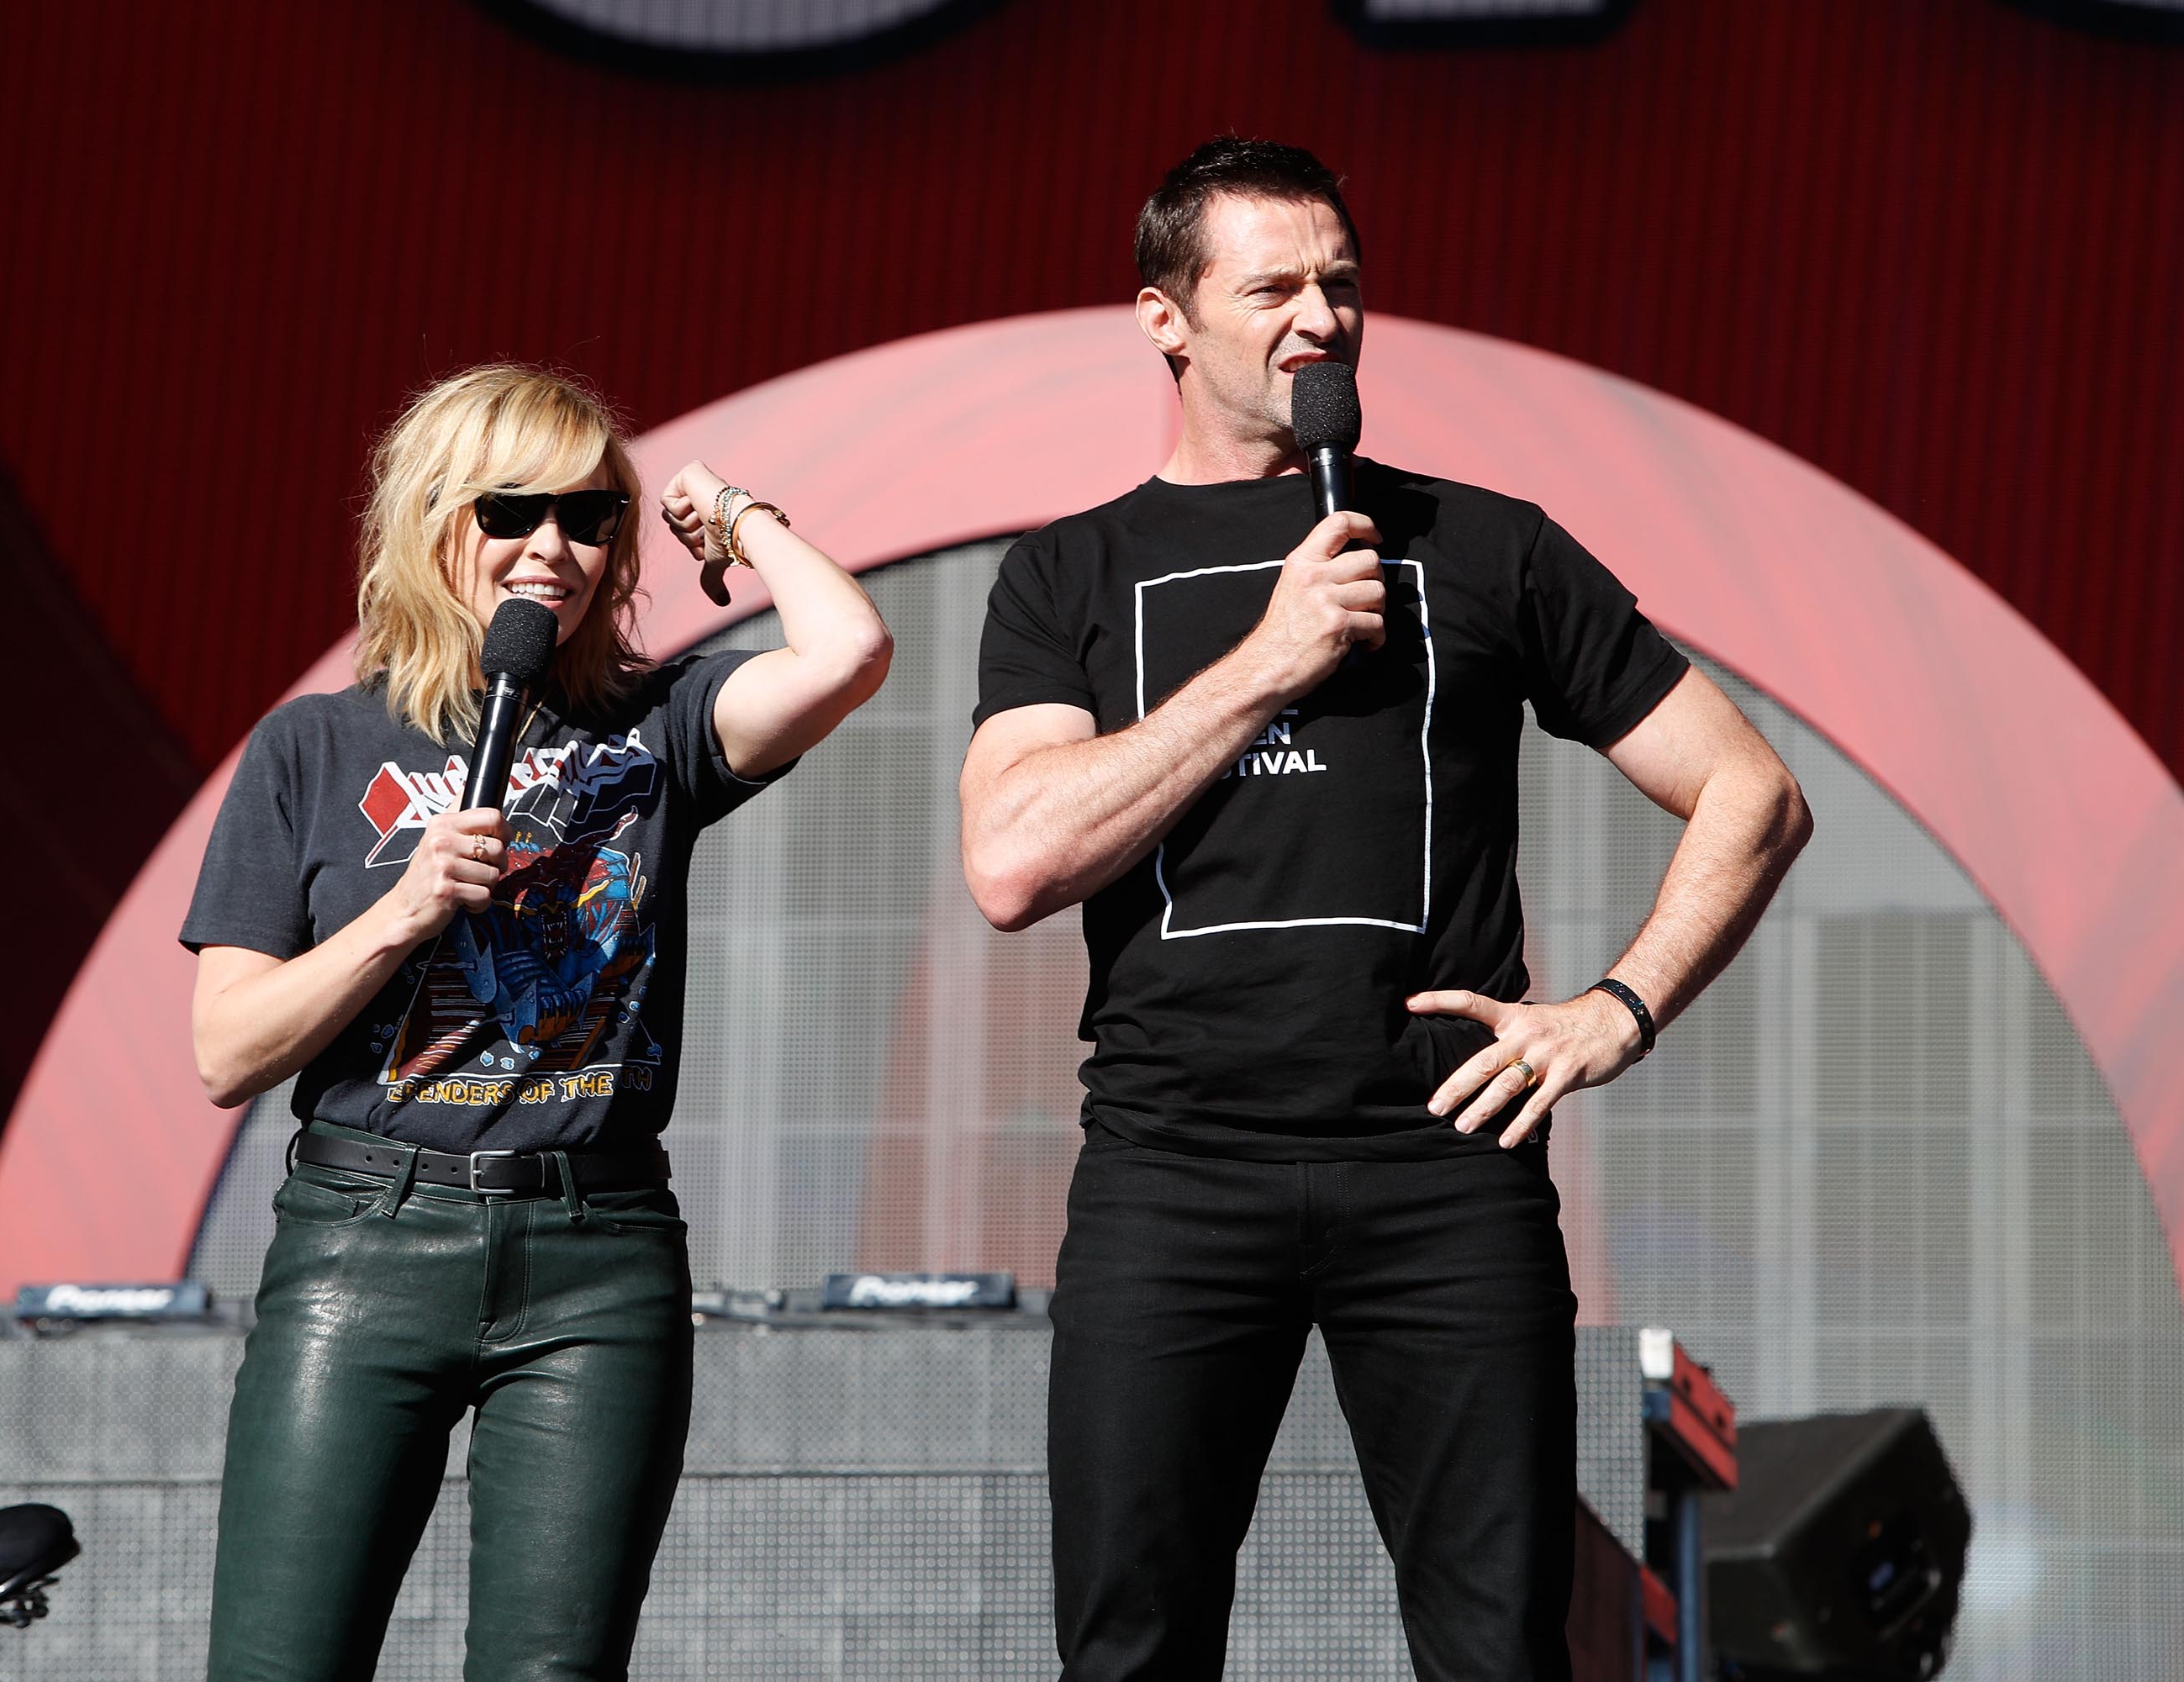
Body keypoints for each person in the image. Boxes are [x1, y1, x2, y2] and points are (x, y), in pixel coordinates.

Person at [959, 139, 1813, 1680]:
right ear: (1164, 317)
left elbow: (1751, 792)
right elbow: (1015, 861)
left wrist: (1612, 1012)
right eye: (1272, 286)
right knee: (1128, 1642)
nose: (1320, 319)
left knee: (1497, 1646)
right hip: (1173, 1168)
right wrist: (1269, 663)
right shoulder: (1070, 572)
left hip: (1443, 1174)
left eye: (1342, 284)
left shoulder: (1481, 545)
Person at [182, 363, 891, 1680]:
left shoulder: (654, 721)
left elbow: (848, 650)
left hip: (597, 1251)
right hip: (365, 1239)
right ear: (432, 520)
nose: (550, 550)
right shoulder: (312, 750)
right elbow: (225, 1049)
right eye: (513, 512)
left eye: (588, 517)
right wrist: (398, 916)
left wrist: (733, 516)